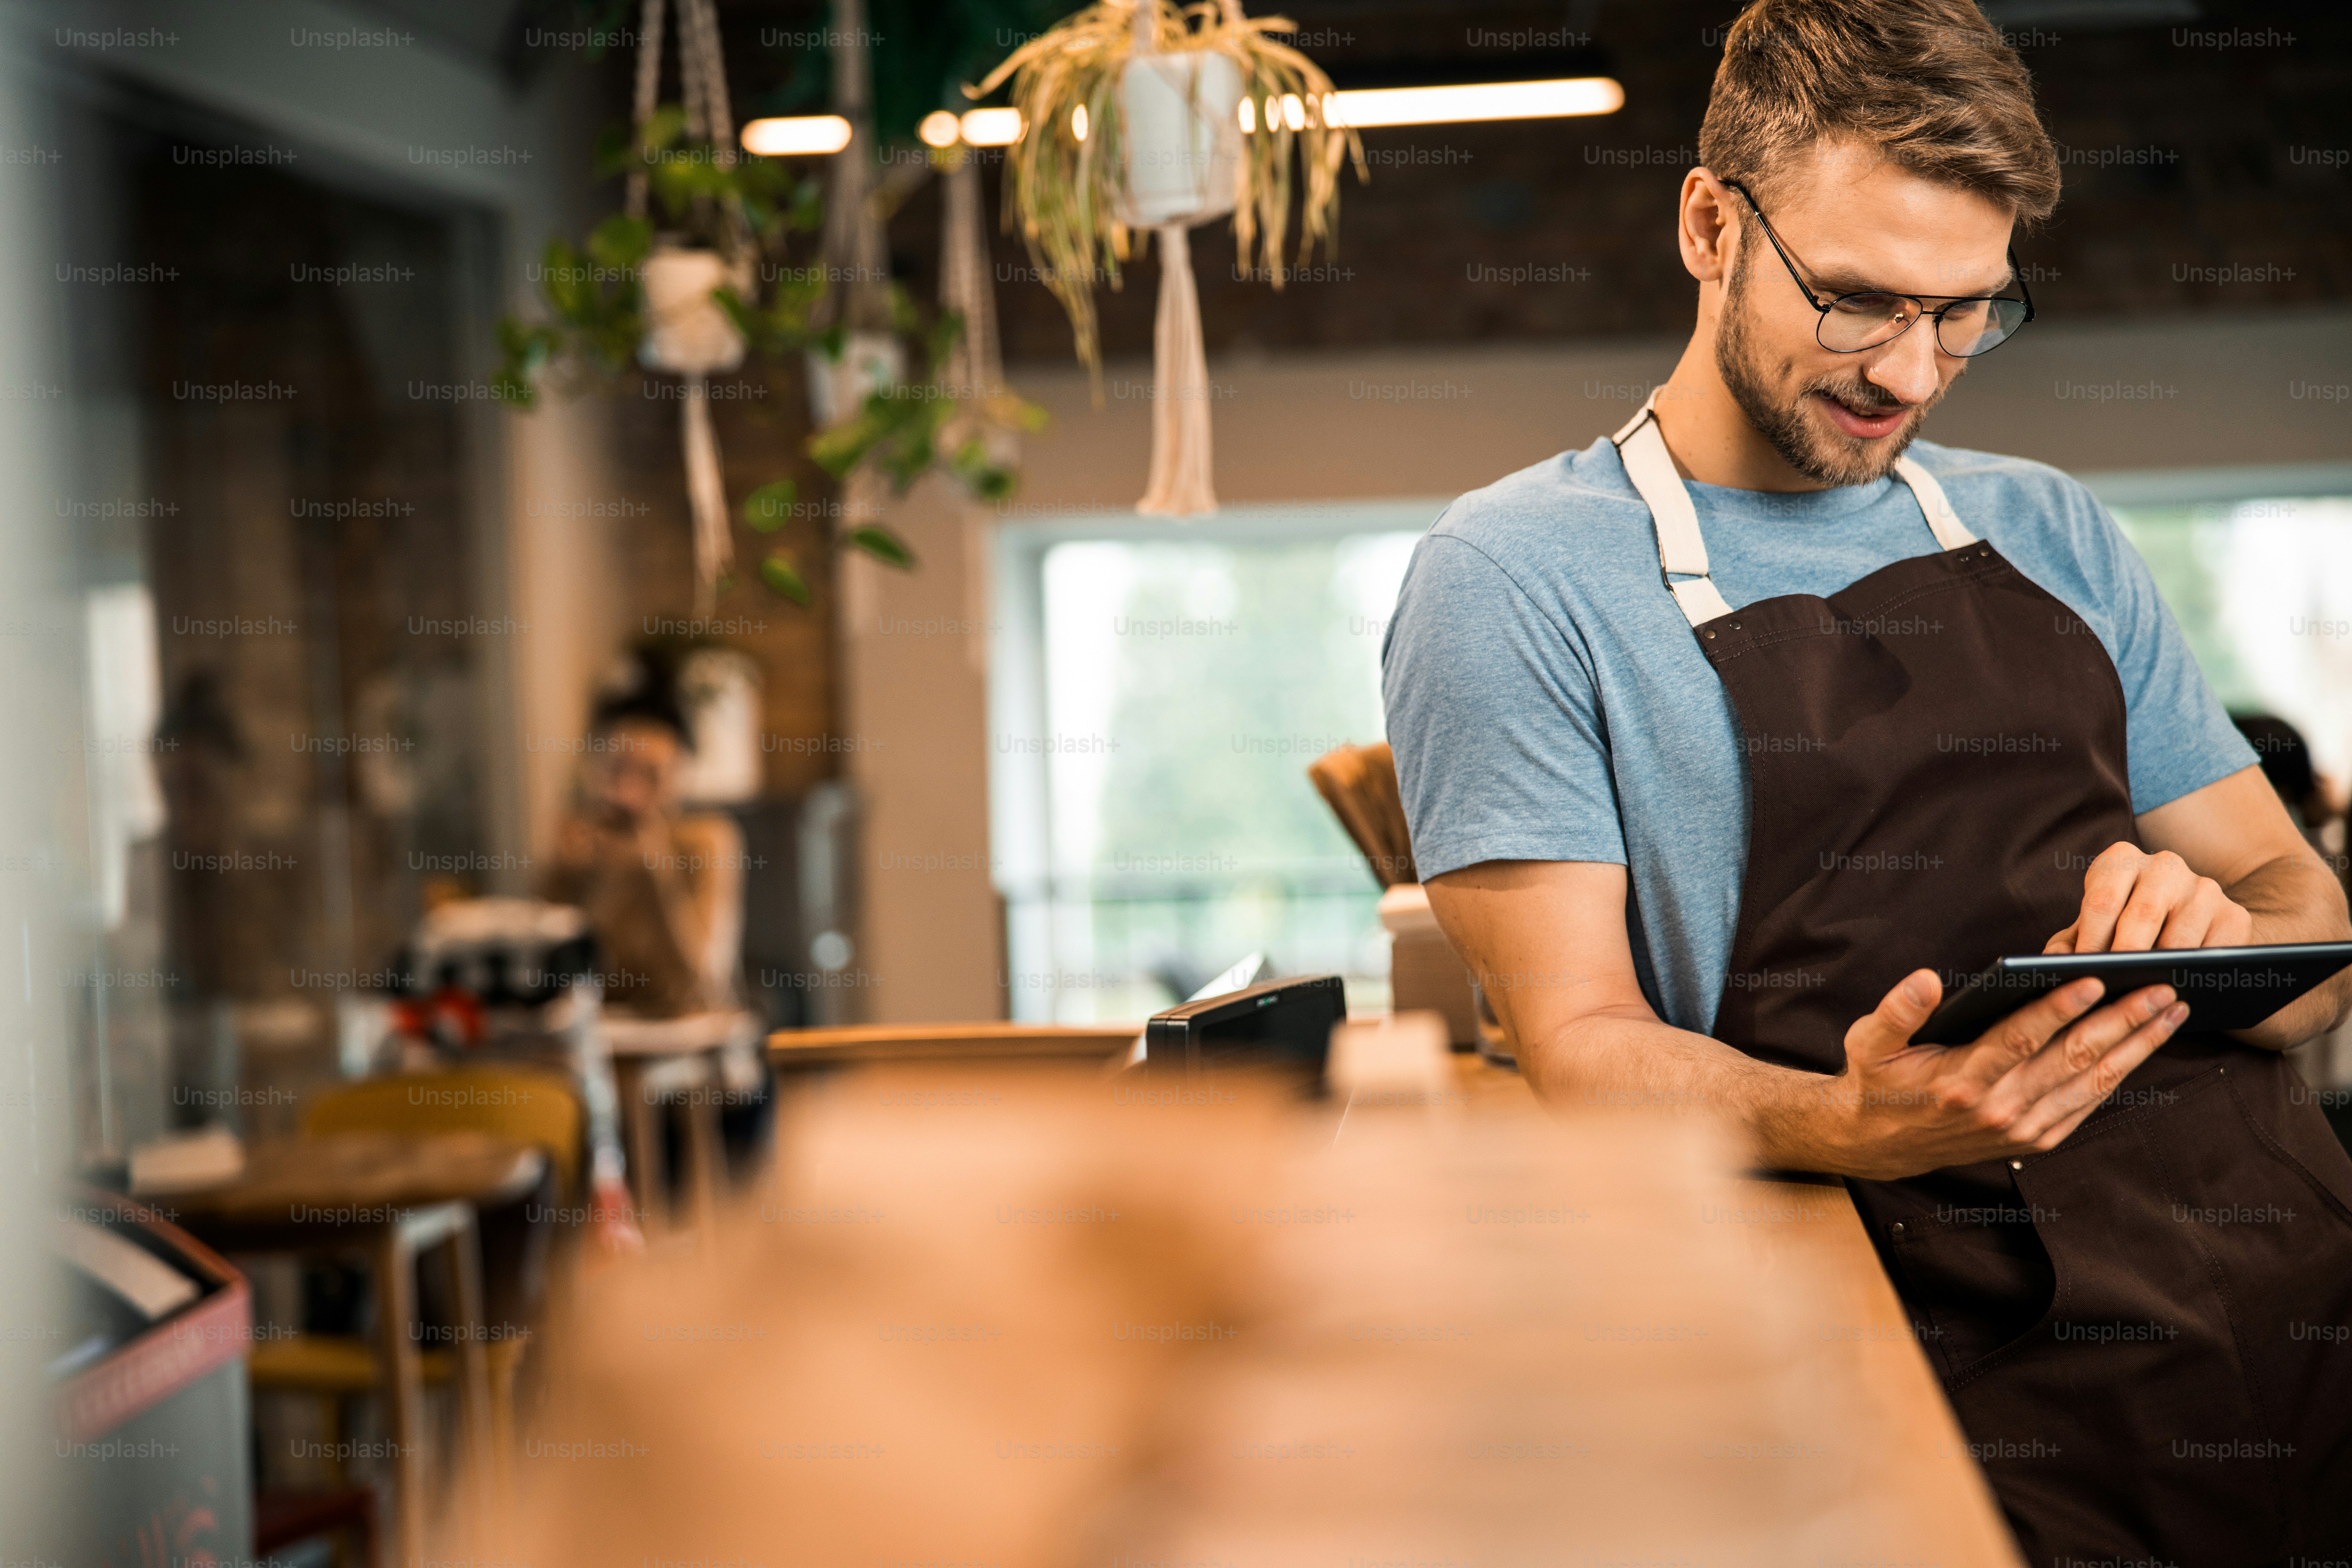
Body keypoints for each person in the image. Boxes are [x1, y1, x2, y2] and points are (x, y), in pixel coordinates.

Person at [1380, 1, 2352, 1558]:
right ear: (1705, 223)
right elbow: (1575, 1045)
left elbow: (2308, 931)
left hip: (2283, 1311)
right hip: (1910, 1348)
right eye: (1853, 301)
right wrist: (1850, 1118)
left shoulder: (2046, 526)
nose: (1906, 369)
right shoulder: (1511, 577)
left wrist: (2219, 934)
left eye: (1964, 312)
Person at [540, 677, 745, 1018]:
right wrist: (566, 878)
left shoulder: (706, 841)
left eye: (652, 776)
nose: (630, 794)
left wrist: (655, 874)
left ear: (680, 776)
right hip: (612, 1040)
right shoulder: (584, 843)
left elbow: (702, 984)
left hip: (691, 1041)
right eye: (617, 770)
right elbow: (551, 980)